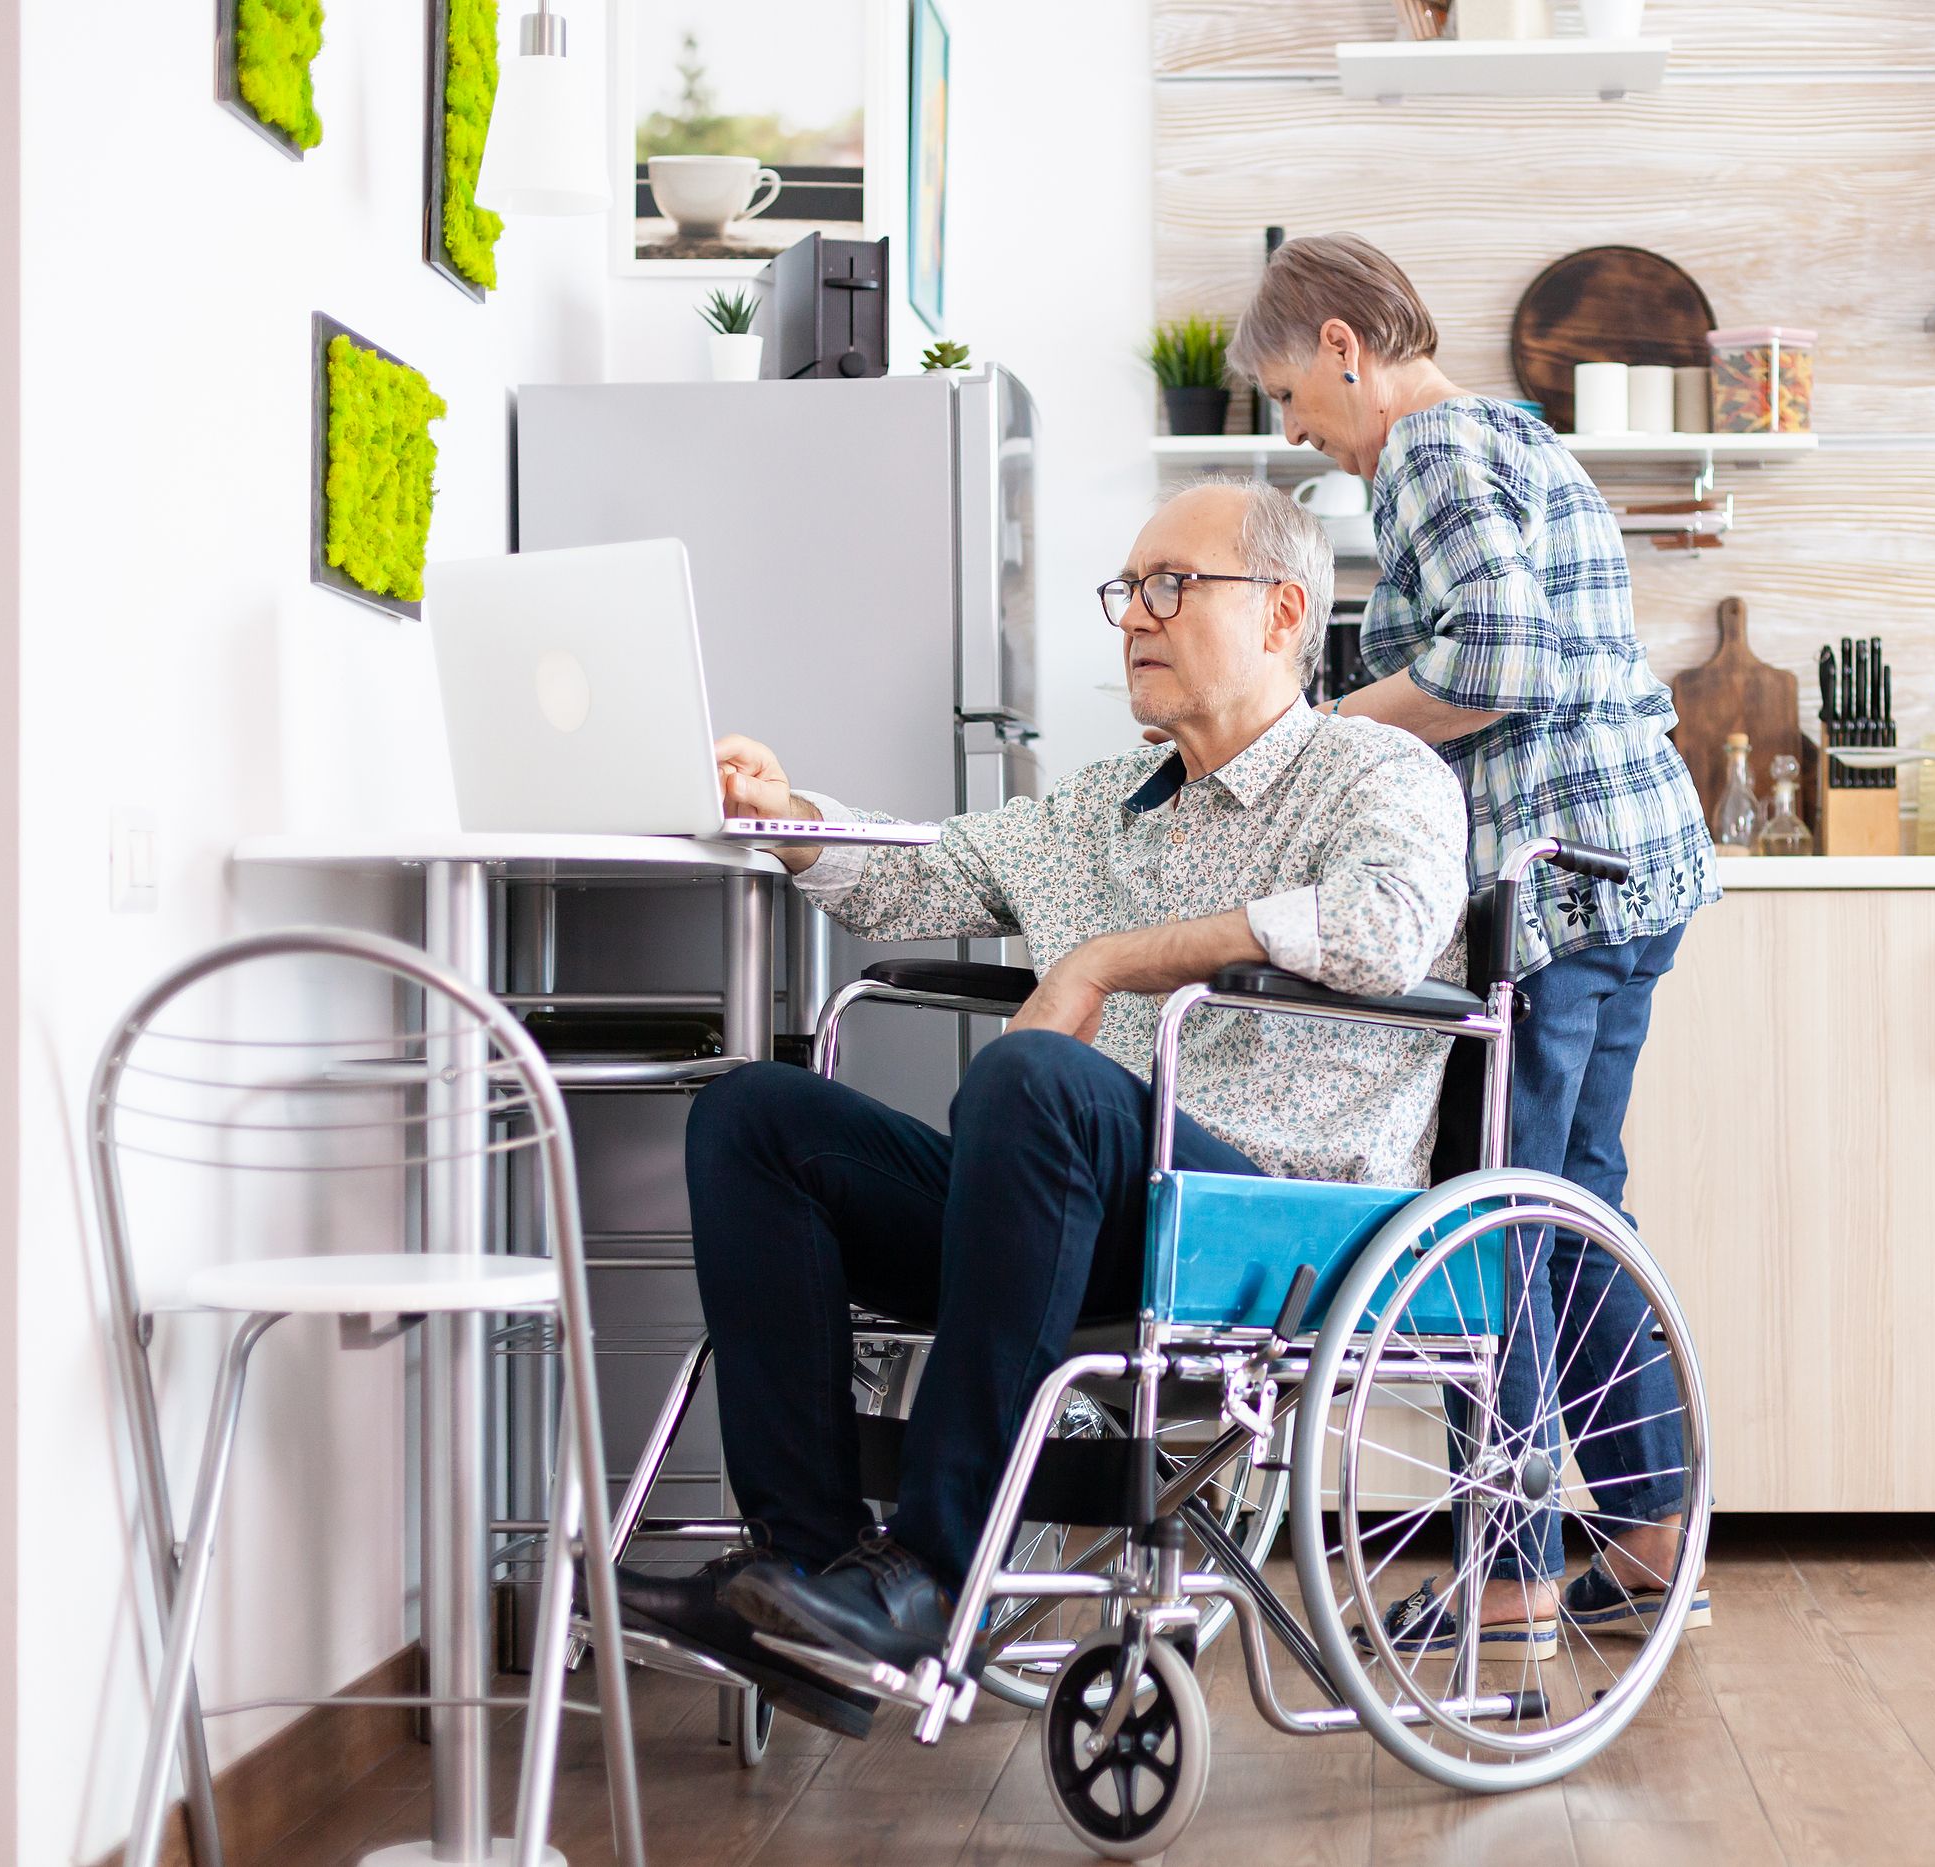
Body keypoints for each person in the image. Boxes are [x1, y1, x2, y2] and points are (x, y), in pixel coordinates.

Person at [613, 482, 1468, 1734]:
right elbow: (923, 875)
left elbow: (1387, 923)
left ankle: (932, 1571)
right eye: (1127, 591)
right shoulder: (1097, 806)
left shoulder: (1373, 773)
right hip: (1059, 1201)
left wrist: (1109, 960)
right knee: (753, 1115)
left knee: (1033, 1075)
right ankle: (812, 1574)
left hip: (1269, 1218)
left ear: (1285, 612)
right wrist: (786, 815)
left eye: (1173, 585)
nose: (1136, 617)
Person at [1232, 234, 1718, 1650]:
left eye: (1288, 393)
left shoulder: (1428, 455)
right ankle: (1642, 1527)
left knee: (1487, 1212)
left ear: (1341, 345)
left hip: (1560, 889)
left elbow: (1498, 664)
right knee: (1572, 1209)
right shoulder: (1511, 434)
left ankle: (1508, 1567)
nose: (1295, 429)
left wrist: (1308, 731)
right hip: (1631, 869)